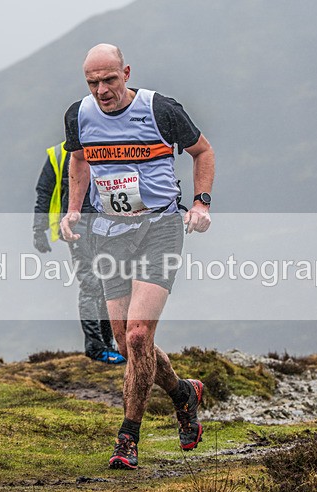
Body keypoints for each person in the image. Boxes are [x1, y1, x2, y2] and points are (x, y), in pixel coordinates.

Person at [60, 43, 215, 469]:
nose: (102, 90)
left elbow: (203, 151)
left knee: (138, 335)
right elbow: (79, 162)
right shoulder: (79, 115)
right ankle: (184, 393)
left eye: (109, 79)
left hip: (160, 227)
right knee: (125, 342)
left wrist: (201, 203)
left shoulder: (160, 109)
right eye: (93, 82)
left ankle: (127, 439)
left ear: (126, 73)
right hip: (111, 233)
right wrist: (73, 209)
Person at [33, 141, 126, 364]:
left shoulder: (110, 145)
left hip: (110, 226)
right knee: (91, 283)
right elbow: (44, 191)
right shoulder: (58, 153)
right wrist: (39, 229)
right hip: (77, 228)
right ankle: (96, 348)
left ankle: (108, 344)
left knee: (108, 283)